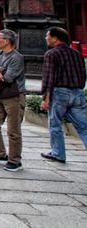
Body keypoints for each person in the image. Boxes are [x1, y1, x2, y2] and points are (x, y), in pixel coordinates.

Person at [40, 27, 87, 163]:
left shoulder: (51, 54)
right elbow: (83, 75)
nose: (46, 38)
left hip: (60, 93)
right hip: (77, 92)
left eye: (48, 36)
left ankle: (58, 153)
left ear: (55, 38)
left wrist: (45, 98)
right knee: (83, 127)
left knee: (55, 125)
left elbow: (49, 78)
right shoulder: (76, 53)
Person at [0, 29, 26, 172]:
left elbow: (8, 77)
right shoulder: (1, 54)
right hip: (0, 95)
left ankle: (15, 160)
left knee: (13, 130)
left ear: (7, 41)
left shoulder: (16, 57)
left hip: (14, 96)